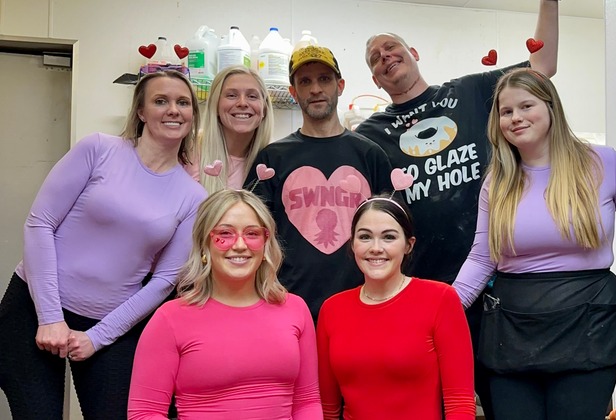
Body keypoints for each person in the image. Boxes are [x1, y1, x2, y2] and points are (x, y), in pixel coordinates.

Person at [354, 3, 559, 417]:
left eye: (391, 47)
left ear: (413, 52)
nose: (385, 56)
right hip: (427, 296)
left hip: (500, 284)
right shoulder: (369, 135)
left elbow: (544, 64)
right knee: (439, 407)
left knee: (508, 401)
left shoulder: (470, 91)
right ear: (375, 79)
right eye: (376, 59)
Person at [0, 70, 207, 419]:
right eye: (161, 101)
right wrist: (49, 317)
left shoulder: (194, 198)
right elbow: (40, 223)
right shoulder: (98, 149)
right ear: (141, 111)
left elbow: (164, 281)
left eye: (182, 103)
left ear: (192, 115)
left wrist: (98, 337)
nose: (174, 110)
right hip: (33, 305)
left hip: (113, 322)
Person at [452, 68, 616, 419]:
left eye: (525, 106)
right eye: (506, 111)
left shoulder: (603, 163)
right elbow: (482, 258)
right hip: (511, 329)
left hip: (589, 322)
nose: (515, 118)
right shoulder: (496, 182)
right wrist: (440, 310)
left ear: (550, 107)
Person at [127, 189, 321, 419]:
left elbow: (307, 403)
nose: (239, 245)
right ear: (204, 244)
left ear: (266, 242)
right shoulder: (169, 319)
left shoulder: (295, 309)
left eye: (252, 233)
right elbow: (145, 413)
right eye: (225, 234)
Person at [244, 45, 392, 320]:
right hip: (288, 306)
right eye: (305, 81)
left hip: (363, 303)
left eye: (324, 79)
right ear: (293, 92)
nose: (315, 89)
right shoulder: (272, 158)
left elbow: (391, 234)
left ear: (340, 85)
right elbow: (253, 234)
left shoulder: (370, 155)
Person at [317, 193, 475, 420]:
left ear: (408, 245)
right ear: (352, 244)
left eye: (389, 237)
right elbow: (327, 409)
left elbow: (460, 404)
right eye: (365, 237)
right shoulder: (332, 310)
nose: (376, 248)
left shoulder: (440, 299)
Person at [185, 65, 274, 193]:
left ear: (264, 108)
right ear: (215, 106)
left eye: (252, 96)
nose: (242, 103)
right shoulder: (187, 150)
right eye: (231, 95)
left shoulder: (271, 162)